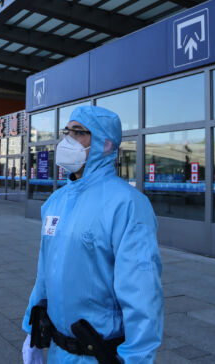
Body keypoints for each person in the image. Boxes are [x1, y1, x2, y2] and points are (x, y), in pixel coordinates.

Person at [22, 106, 163, 364]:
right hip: (56, 351)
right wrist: (32, 331)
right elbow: (45, 273)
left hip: (98, 355)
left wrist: (136, 359)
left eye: (78, 132)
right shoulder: (56, 201)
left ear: (106, 144)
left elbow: (142, 294)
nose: (68, 140)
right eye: (66, 131)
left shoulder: (127, 204)